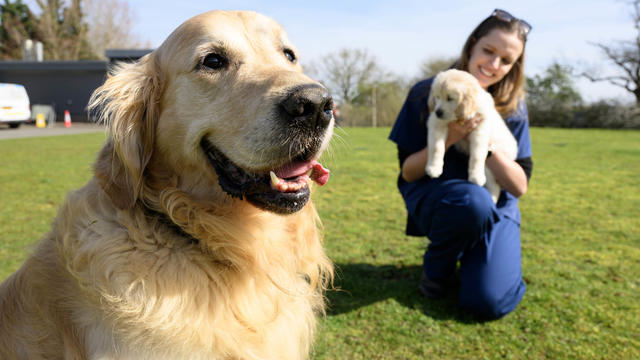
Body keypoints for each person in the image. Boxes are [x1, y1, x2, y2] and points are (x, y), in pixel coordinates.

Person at [389, 9, 533, 319]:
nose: (494, 65)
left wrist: (486, 143)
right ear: (472, 45)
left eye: (506, 60)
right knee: (471, 201)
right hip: (443, 198)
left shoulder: (514, 108)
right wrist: (452, 134)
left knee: (487, 302)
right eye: (488, 51)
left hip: (497, 203)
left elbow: (519, 186)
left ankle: (475, 255)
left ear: (514, 66)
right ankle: (436, 269)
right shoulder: (428, 93)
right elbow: (408, 171)